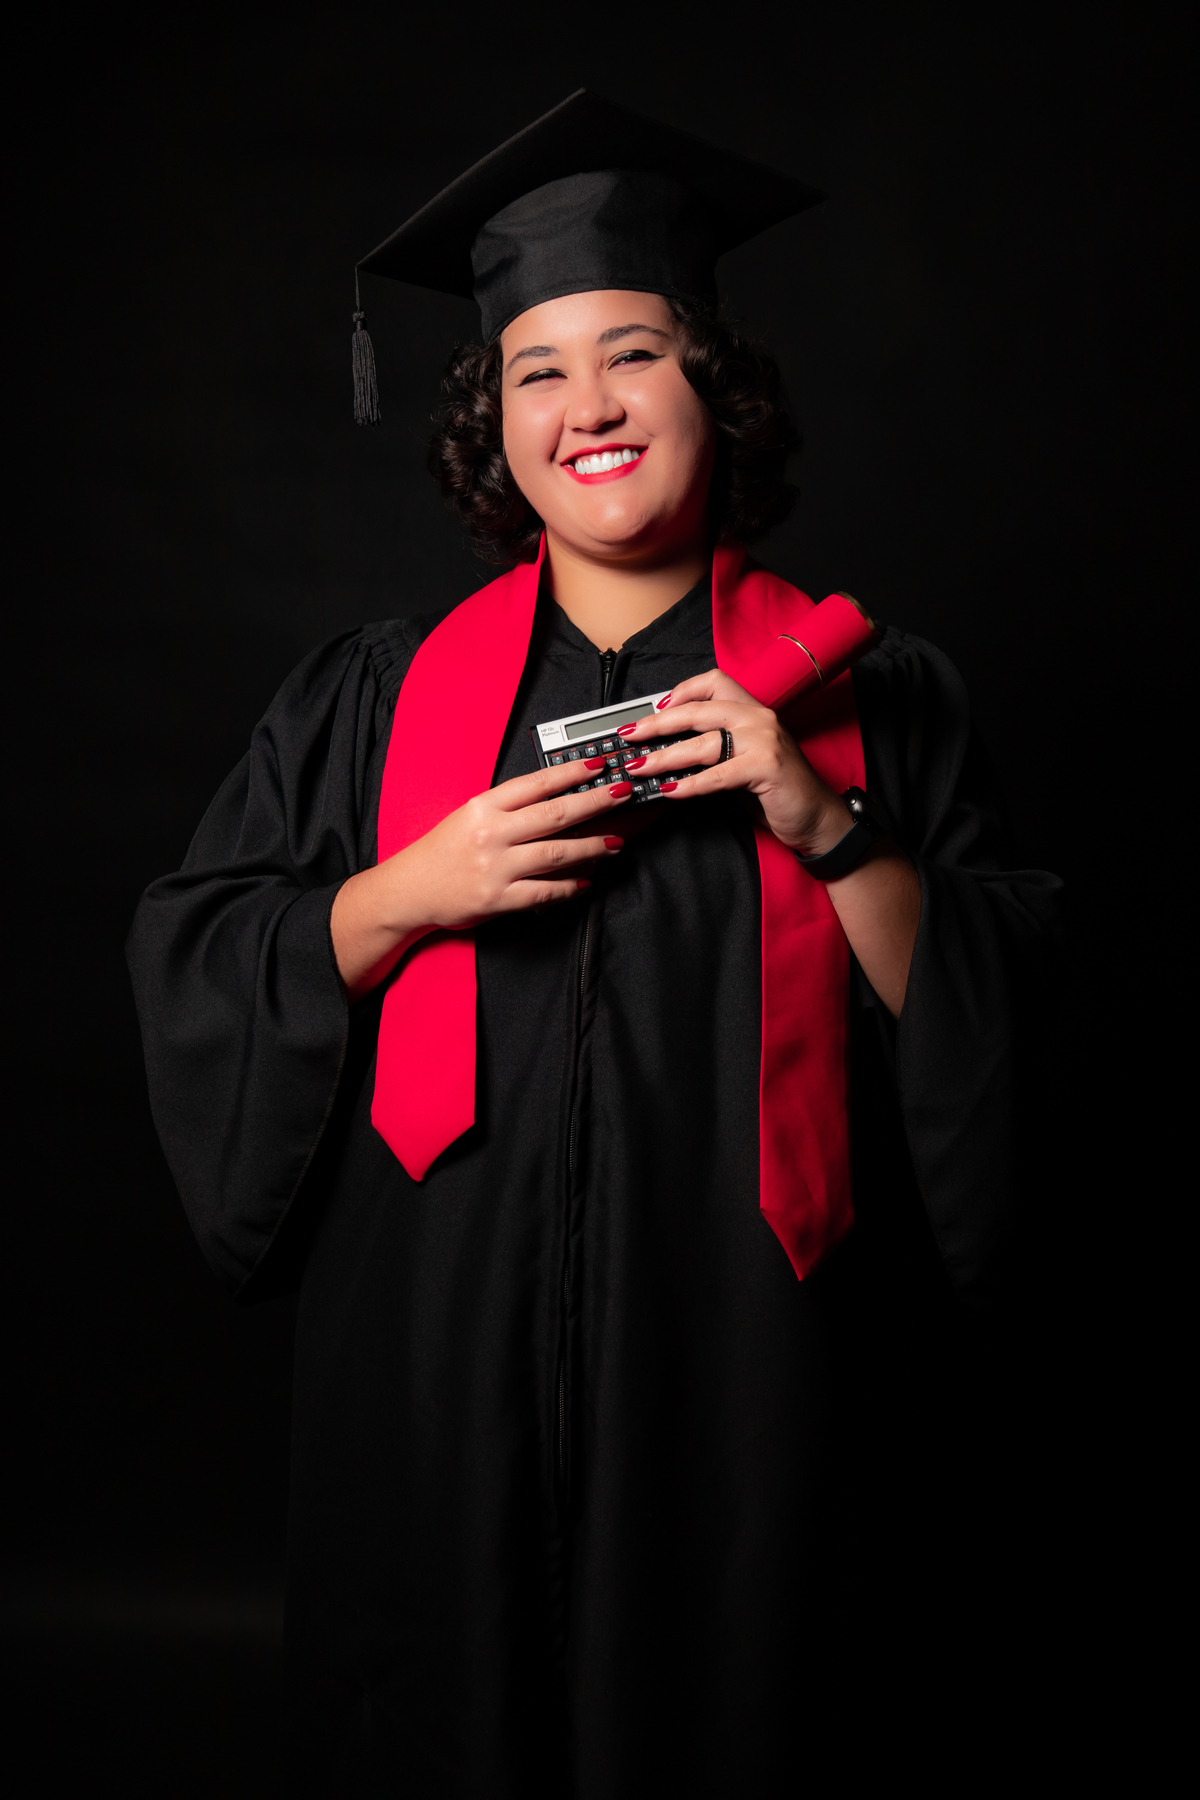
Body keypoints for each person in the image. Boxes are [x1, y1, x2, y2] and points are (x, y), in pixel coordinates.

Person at [127, 91, 1062, 1795]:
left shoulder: (878, 697)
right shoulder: (371, 700)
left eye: (634, 354)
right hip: (434, 1371)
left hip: (754, 1382)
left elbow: (1019, 1020)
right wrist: (411, 887)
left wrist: (825, 821)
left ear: (715, 385)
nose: (590, 407)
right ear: (496, 424)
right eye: (537, 372)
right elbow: (200, 954)